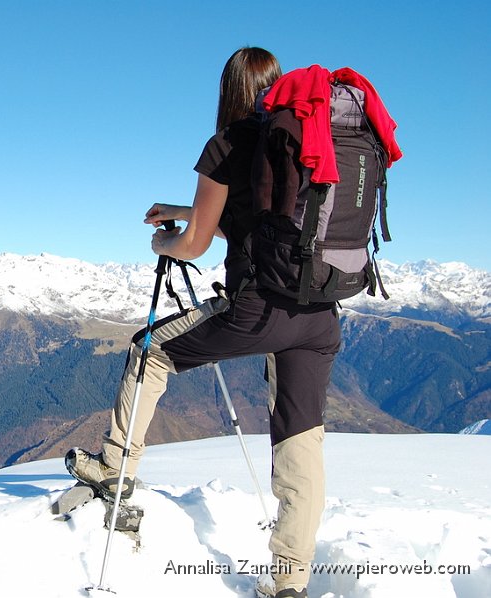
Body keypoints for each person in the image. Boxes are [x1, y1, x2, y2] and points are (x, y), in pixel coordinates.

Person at [66, 47, 338, 598]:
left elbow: (193, 246)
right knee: (300, 441)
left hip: (257, 308)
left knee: (150, 351)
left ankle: (115, 468)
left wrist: (165, 239)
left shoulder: (227, 144)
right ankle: (290, 582)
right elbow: (246, 216)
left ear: (227, 90)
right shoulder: (300, 141)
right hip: (319, 315)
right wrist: (183, 208)